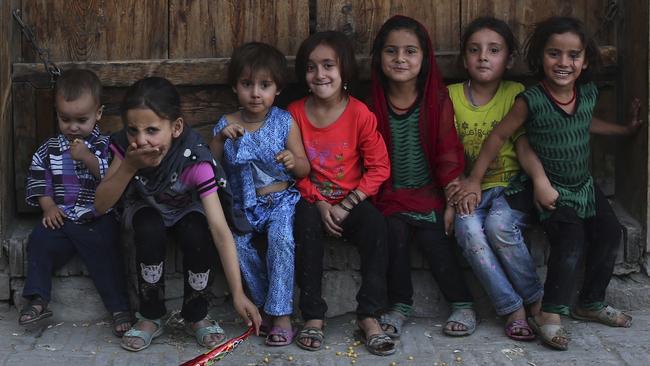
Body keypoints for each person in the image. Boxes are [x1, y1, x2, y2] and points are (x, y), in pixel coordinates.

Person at [449, 16, 640, 350]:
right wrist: (475, 179)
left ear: (585, 61)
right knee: (571, 239)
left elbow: (585, 123)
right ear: (540, 57)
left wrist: (624, 132)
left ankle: (591, 302)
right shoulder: (530, 100)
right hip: (551, 187)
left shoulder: (587, 93)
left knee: (610, 232)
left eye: (573, 55)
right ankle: (549, 313)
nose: (564, 63)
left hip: (583, 183)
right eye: (554, 54)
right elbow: (498, 137)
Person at [94, 77, 261, 352]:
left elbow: (220, 230)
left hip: (186, 209)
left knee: (198, 229)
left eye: (151, 130)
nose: (141, 140)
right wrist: (128, 166)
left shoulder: (193, 160)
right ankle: (150, 315)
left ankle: (196, 313)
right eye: (133, 130)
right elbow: (101, 205)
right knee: (147, 226)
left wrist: (238, 293)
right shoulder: (128, 149)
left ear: (176, 127)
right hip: (146, 206)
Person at [368, 15, 477, 339]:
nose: (400, 59)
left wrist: (450, 200)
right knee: (393, 233)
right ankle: (400, 305)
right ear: (379, 57)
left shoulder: (436, 101)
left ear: (425, 57)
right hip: (390, 194)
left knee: (435, 236)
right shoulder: (371, 104)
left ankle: (463, 303)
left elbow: (447, 154)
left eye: (410, 51)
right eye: (391, 51)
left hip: (430, 192)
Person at [288, 31, 395, 356]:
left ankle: (369, 315)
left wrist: (347, 204)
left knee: (378, 227)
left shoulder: (360, 114)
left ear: (344, 70)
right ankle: (313, 315)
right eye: (311, 67)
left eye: (328, 65)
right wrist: (320, 203)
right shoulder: (292, 114)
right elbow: (289, 168)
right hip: (311, 200)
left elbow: (379, 167)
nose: (319, 74)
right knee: (304, 226)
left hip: (352, 201)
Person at [447, 16, 543, 341]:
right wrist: (451, 196)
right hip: (468, 189)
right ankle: (512, 308)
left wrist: (540, 182)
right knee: (468, 230)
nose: (483, 56)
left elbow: (524, 147)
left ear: (509, 59)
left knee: (498, 226)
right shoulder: (451, 98)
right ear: (464, 58)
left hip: (511, 189)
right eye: (474, 50)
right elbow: (444, 153)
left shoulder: (515, 94)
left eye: (494, 50)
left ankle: (535, 300)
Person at [211, 42, 310, 347]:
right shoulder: (227, 124)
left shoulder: (283, 121)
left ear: (277, 89)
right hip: (243, 205)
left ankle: (280, 315)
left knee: (281, 240)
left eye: (265, 85)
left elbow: (304, 167)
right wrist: (218, 139)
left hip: (280, 201)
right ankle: (264, 303)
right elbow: (210, 167)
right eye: (247, 84)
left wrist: (294, 163)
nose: (256, 93)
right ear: (234, 87)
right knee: (238, 247)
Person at [20, 69, 132, 337]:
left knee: (106, 249)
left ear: (99, 114)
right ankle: (37, 299)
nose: (73, 127)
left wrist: (87, 157)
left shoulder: (106, 146)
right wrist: (48, 207)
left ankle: (119, 307)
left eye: (82, 120)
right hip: (63, 217)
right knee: (39, 241)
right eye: (65, 119)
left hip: (95, 217)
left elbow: (110, 176)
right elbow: (38, 179)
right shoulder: (49, 149)